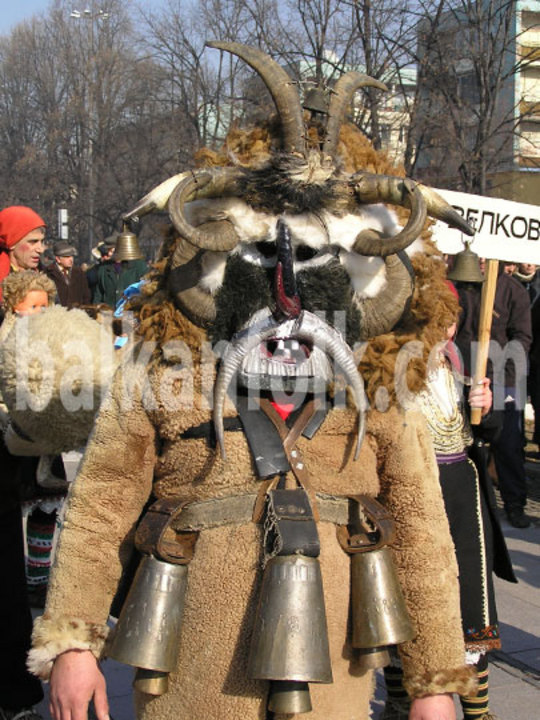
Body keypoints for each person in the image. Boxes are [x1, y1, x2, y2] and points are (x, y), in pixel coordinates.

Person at [28, 44, 478, 720]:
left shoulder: (376, 392)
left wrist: (435, 683)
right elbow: (99, 510)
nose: (286, 292)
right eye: (264, 260)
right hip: (191, 682)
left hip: (334, 685)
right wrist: (71, 644)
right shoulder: (163, 375)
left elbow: (420, 530)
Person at [382, 284, 516, 720]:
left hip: (462, 504)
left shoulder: (464, 375)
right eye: (428, 322)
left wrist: (488, 408)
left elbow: (485, 437)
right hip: (412, 501)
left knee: (469, 614)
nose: (439, 331)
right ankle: (399, 706)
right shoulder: (389, 374)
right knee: (405, 611)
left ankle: (479, 714)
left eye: (446, 322)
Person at [0, 206, 48, 720]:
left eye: (41, 240)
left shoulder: (29, 287)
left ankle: (14, 691)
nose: (38, 247)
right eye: (32, 240)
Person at [455, 260, 532, 528]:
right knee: (461, 441)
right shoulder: (459, 285)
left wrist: (502, 377)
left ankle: (515, 504)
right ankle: (464, 501)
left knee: (508, 444)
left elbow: (522, 339)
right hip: (461, 377)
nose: (481, 263)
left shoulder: (513, 292)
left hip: (502, 381)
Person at [92, 232, 148, 308]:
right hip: (109, 313)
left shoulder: (138, 266)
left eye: (112, 251)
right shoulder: (103, 269)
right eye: (108, 250)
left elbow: (145, 290)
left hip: (130, 311)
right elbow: (98, 295)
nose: (109, 254)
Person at [45, 241, 91, 308]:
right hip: (58, 314)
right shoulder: (48, 273)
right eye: (67, 257)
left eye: (72, 256)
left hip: (77, 314)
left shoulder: (79, 272)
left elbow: (86, 295)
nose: (71, 259)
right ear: (58, 259)